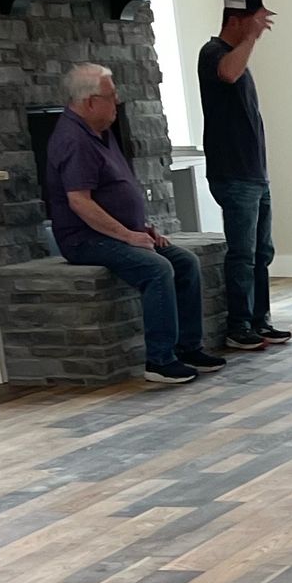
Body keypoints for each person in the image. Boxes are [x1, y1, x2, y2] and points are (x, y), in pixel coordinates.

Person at [44, 63, 222, 387]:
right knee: (157, 269)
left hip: (114, 233)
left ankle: (189, 348)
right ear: (89, 102)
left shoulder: (100, 132)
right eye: (111, 97)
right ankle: (160, 360)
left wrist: (142, 227)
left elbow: (114, 190)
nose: (117, 102)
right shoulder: (74, 140)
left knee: (185, 262)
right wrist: (127, 236)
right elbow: (79, 201)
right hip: (84, 239)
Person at [199, 0, 290, 353]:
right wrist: (250, 39)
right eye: (253, 20)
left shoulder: (235, 53)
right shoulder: (213, 52)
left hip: (253, 173)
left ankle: (257, 320)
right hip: (233, 173)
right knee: (241, 251)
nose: (259, 29)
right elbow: (228, 74)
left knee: (260, 251)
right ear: (236, 19)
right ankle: (238, 325)